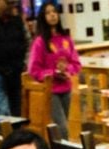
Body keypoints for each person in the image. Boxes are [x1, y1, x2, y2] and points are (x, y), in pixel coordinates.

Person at [27, 2, 80, 140]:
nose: (52, 15)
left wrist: (67, 70)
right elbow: (34, 70)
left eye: (54, 12)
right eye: (48, 13)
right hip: (51, 90)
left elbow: (76, 63)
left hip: (66, 88)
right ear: (43, 17)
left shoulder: (66, 38)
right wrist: (53, 73)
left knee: (66, 125)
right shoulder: (40, 42)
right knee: (62, 127)